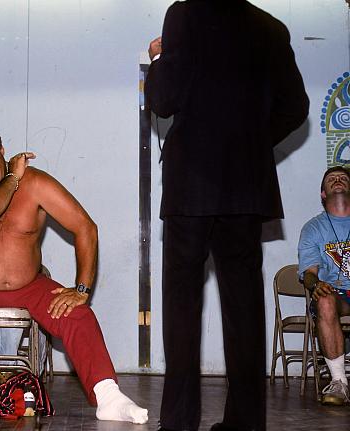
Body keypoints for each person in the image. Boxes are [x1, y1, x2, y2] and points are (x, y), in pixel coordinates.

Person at [144, 1, 309, 430]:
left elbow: (163, 101)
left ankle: (180, 422)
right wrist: (250, 143)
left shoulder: (184, 14)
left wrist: (158, 58)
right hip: (245, 186)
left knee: (182, 306)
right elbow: (296, 107)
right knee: (245, 309)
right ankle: (246, 423)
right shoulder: (271, 28)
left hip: (191, 186)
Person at [0, 122, 148, 423]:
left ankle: (109, 397)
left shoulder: (35, 184)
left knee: (76, 314)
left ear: (1, 150)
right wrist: (12, 178)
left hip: (28, 285)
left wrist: (81, 290)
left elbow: (85, 227)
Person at [299, 166, 350, 406]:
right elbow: (309, 274)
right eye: (331, 179)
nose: (337, 180)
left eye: (343, 178)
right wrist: (316, 284)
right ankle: (339, 382)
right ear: (323, 193)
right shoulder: (313, 228)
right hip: (336, 293)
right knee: (325, 299)